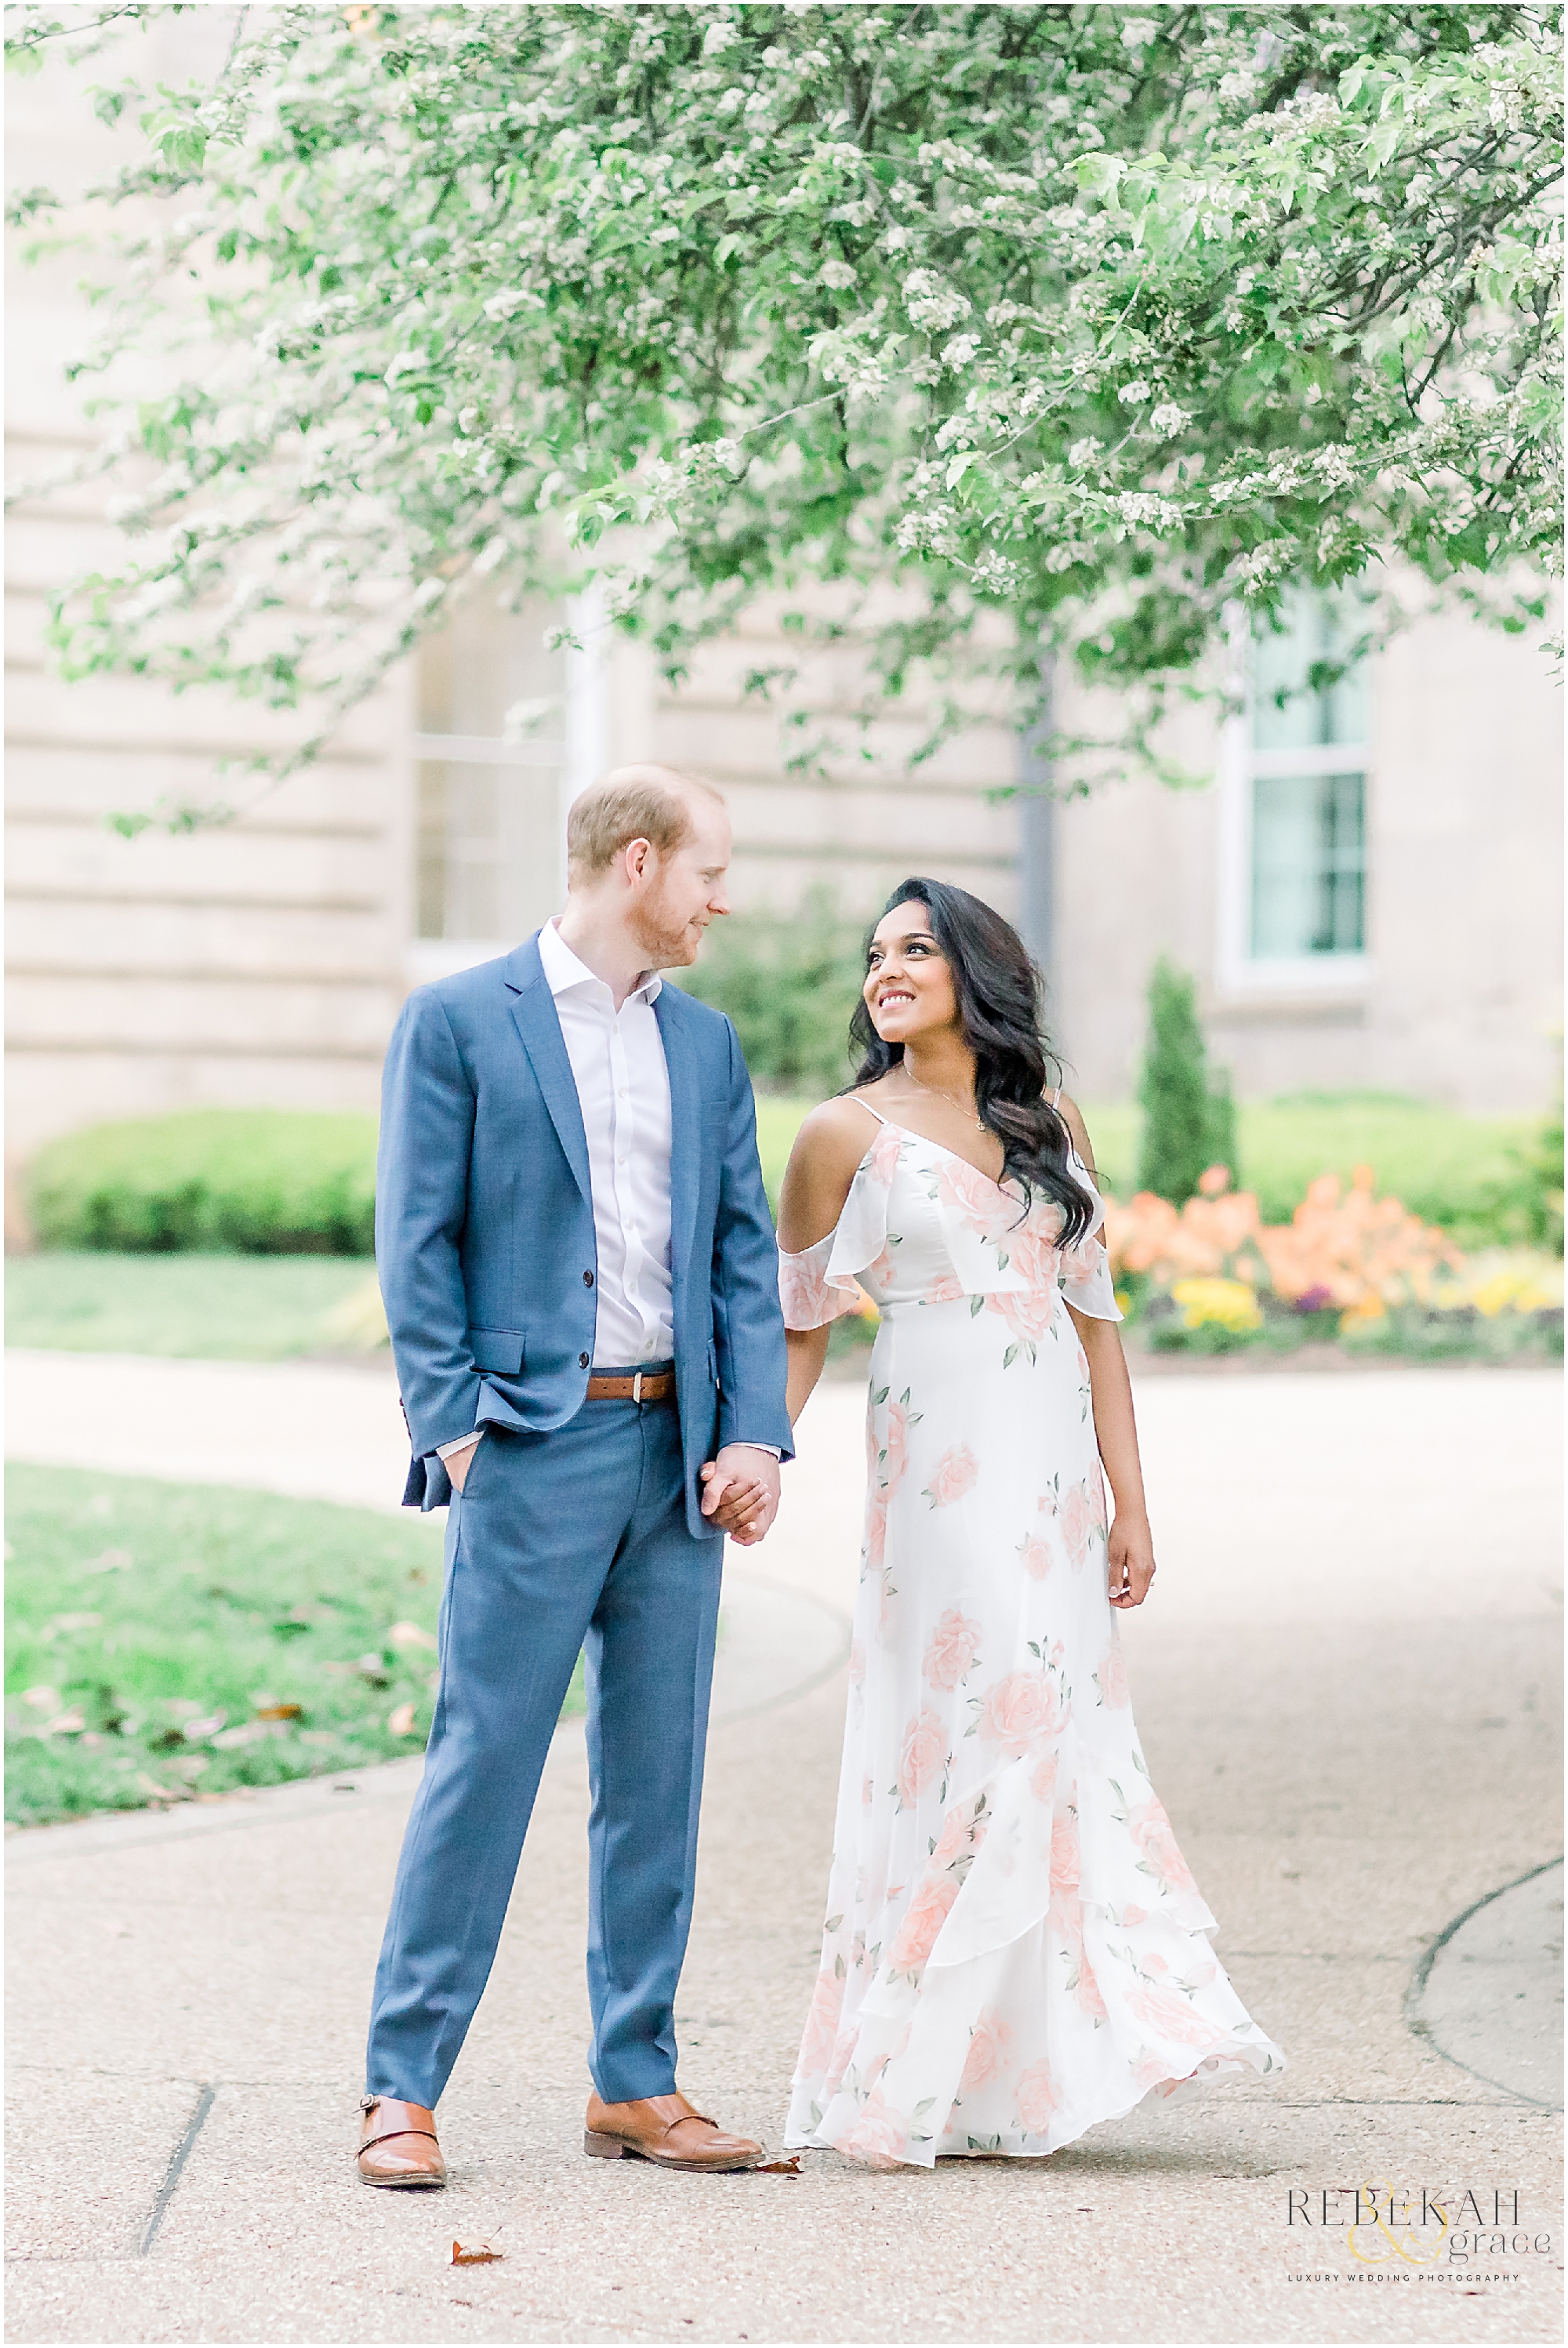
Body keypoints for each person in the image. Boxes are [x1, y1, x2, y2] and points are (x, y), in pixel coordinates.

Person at [776, 878, 1286, 2168]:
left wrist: (1131, 1498)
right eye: (876, 954)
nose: (887, 970)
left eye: (917, 949)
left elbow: (1097, 1319)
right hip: (938, 1466)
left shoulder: (1047, 1121)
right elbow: (799, 1321)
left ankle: (1017, 2073)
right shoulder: (840, 1133)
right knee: (981, 1712)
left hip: (1052, 1467)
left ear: (976, 973)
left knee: (1055, 1715)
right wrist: (757, 1455)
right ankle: (906, 2061)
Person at [358, 764, 791, 2188]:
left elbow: (737, 1251)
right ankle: (403, 2089)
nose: (722, 900)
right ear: (637, 862)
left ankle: (637, 2083)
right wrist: (459, 1426)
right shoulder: (461, 1022)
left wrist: (752, 1433)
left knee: (654, 1779)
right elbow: (415, 1240)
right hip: (533, 1452)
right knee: (484, 1763)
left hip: (679, 1464)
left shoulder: (710, 1047)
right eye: (709, 872)